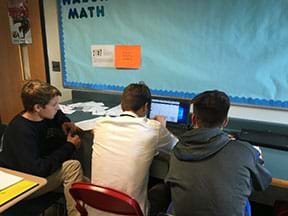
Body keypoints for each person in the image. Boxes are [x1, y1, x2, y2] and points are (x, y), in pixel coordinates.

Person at [165, 90, 272, 216]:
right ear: (226, 121)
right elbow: (263, 183)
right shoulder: (244, 151)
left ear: (193, 119)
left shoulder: (177, 150)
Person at [90, 83, 178, 216]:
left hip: (95, 209)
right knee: (163, 190)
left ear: (121, 105)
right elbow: (176, 147)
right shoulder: (153, 129)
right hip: (131, 211)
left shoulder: (101, 124)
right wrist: (162, 127)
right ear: (146, 107)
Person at [0, 80, 83, 216]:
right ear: (38, 107)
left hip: (38, 172)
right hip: (26, 183)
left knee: (85, 186)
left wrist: (64, 121)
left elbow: (58, 114)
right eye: (54, 105)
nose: (57, 108)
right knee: (72, 167)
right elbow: (38, 170)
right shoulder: (22, 131)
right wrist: (69, 146)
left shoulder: (42, 115)